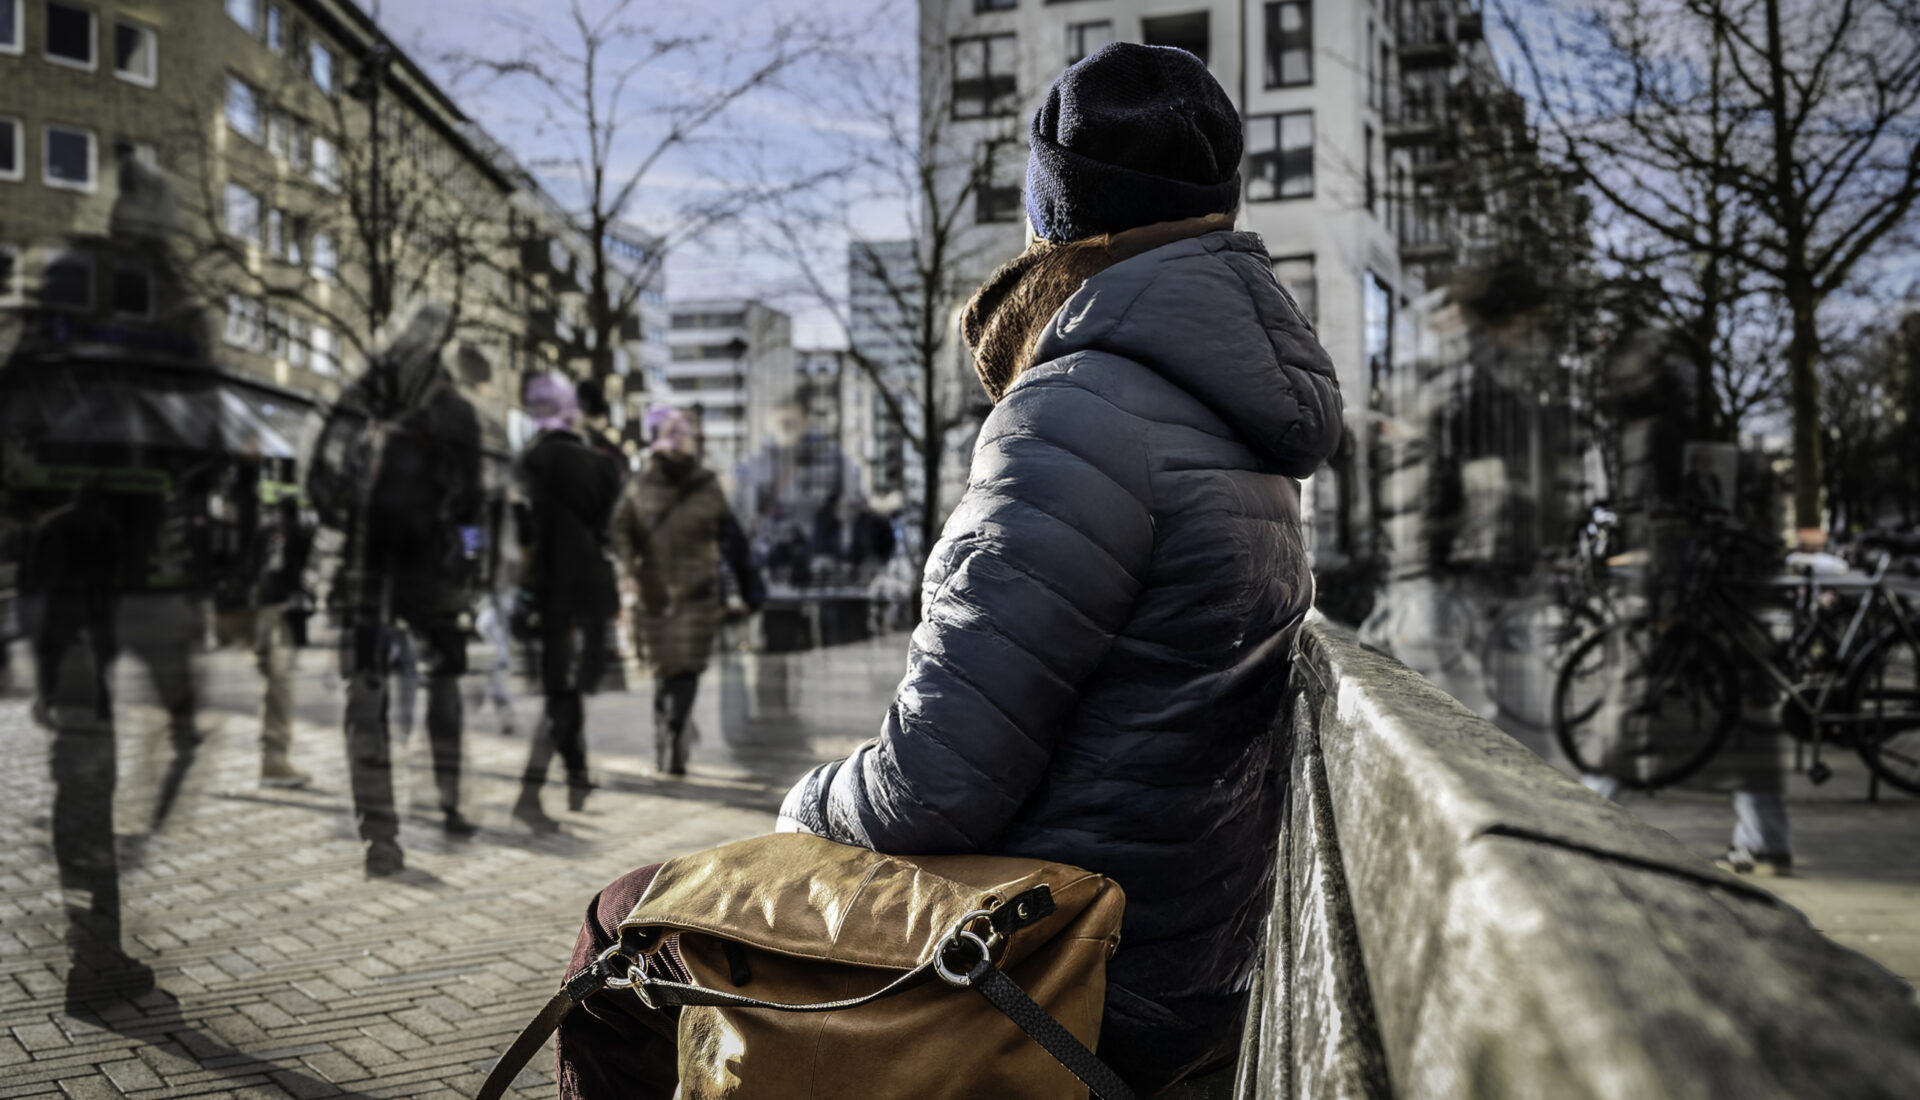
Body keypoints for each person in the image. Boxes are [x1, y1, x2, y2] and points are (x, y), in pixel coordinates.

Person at [557, 43, 1342, 1098]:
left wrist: (804, 805)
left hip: (1058, 953)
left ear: (1058, 222)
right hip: (1189, 946)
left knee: (623, 925)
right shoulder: (1243, 418)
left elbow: (935, 788)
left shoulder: (1074, 411)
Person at [321, 304, 485, 877]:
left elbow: (320, 473)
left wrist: (354, 523)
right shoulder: (455, 410)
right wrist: (466, 561)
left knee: (365, 700)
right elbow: (472, 504)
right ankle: (447, 803)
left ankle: (381, 837)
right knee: (442, 685)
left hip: (370, 567)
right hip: (432, 571)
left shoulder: (365, 394)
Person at [609, 406, 763, 776]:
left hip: (686, 593)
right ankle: (669, 734)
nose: (681, 445)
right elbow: (620, 529)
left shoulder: (695, 484)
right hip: (663, 594)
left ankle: (672, 738)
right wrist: (629, 568)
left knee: (681, 670)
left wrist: (748, 585)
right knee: (669, 672)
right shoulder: (648, 483)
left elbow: (731, 537)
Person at [511, 373, 624, 833]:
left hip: (548, 590)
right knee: (568, 691)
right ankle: (557, 782)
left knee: (561, 690)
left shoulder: (527, 462)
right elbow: (605, 522)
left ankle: (548, 786)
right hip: (590, 589)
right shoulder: (599, 465)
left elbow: (521, 534)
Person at [212, 477, 316, 790]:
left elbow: (249, 569)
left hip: (260, 611)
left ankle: (273, 759)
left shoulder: (263, 527)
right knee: (280, 687)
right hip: (281, 614)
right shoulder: (295, 529)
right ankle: (274, 762)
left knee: (274, 683)